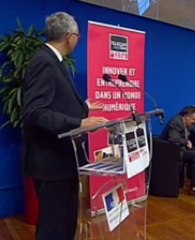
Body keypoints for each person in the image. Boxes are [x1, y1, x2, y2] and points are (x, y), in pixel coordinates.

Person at [22, 12, 107, 240]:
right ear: (69, 37)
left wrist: (85, 109)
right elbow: (35, 113)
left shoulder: (52, 61)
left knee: (64, 223)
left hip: (61, 162)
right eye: (78, 36)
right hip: (52, 164)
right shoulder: (44, 62)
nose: (77, 40)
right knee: (54, 228)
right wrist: (80, 122)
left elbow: (56, 104)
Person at [162, 106, 195, 198]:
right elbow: (173, 138)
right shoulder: (176, 122)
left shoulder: (186, 123)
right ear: (186, 117)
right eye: (193, 119)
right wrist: (186, 142)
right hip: (172, 151)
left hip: (181, 148)